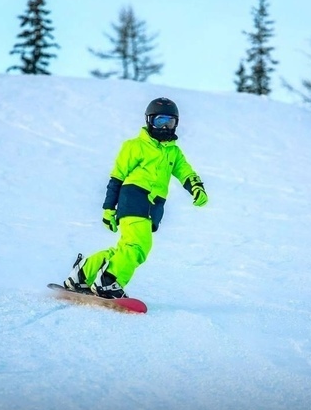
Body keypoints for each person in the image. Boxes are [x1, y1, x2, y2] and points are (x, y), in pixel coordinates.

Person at [64, 97, 208, 298]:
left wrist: (196, 187)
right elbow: (116, 177)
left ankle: (82, 274)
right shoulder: (135, 146)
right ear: (149, 121)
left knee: (125, 247)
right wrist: (108, 208)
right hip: (134, 198)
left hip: (153, 206)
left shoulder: (174, 152)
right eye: (160, 121)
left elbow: (186, 172)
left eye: (170, 122)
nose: (165, 127)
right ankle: (109, 281)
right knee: (139, 246)